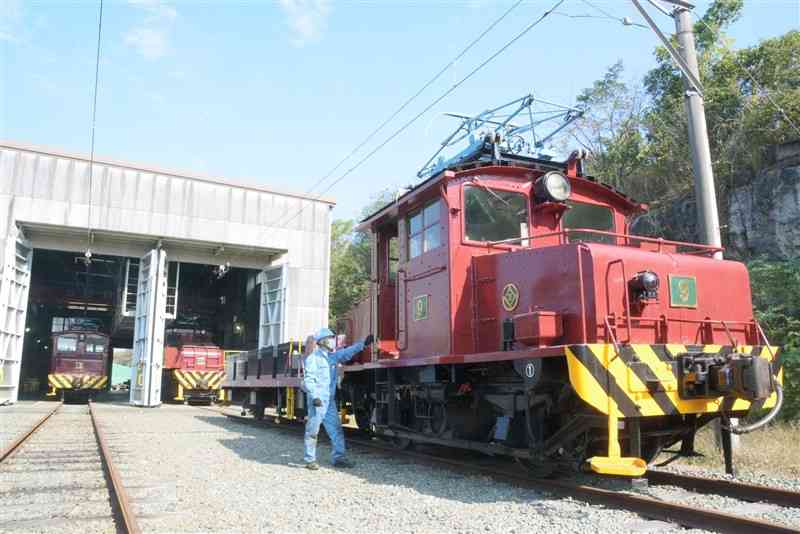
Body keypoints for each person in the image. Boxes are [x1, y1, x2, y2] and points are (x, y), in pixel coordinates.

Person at [303, 328, 374, 470]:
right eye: (330, 338)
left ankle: (339, 458)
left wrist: (363, 344)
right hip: (317, 402)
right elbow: (308, 380)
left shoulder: (332, 357)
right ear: (322, 341)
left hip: (329, 401)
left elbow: (347, 353)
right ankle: (310, 460)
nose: (333, 341)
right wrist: (315, 396)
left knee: (336, 430)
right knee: (313, 431)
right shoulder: (313, 359)